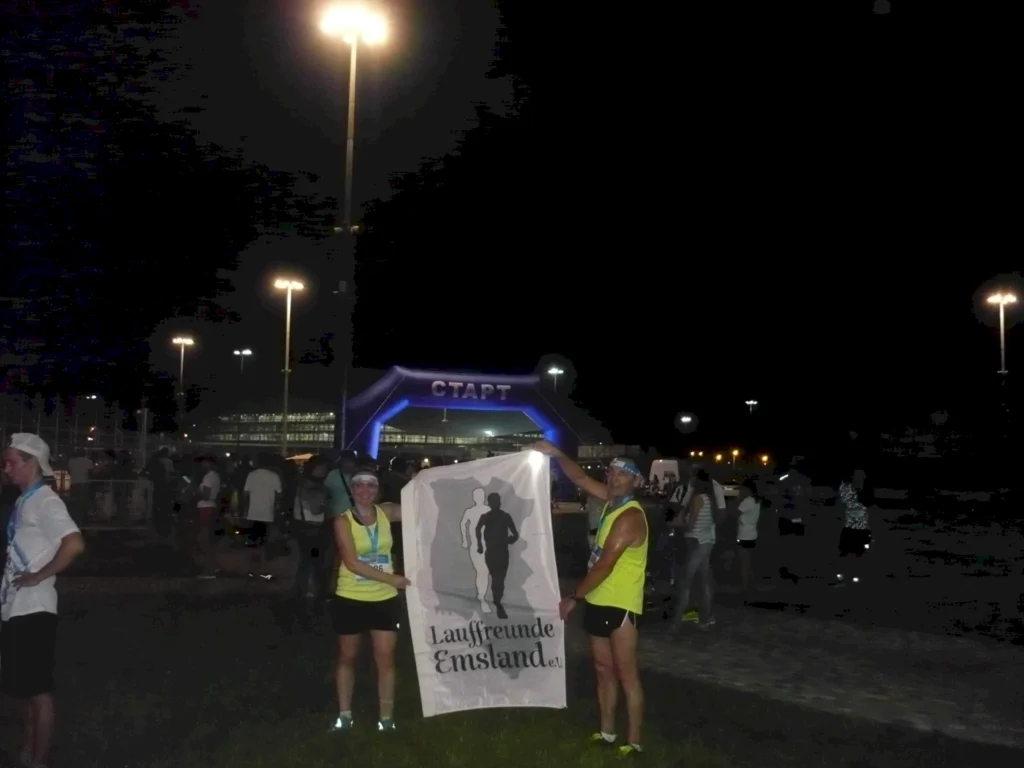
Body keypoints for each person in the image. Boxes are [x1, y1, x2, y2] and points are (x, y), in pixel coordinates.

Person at [532, 441, 647, 758]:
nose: (614, 478)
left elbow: (605, 564)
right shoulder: (612, 502)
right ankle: (607, 732)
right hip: (598, 600)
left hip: (620, 604)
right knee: (602, 670)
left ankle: (634, 742)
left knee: (627, 675)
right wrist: (557, 453)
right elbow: (581, 480)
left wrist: (573, 597)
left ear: (637, 481)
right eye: (612, 472)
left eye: (623, 474)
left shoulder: (630, 517)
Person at [1, 434, 86, 768]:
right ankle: (26, 750)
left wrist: (38, 576)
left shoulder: (46, 501)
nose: (6, 469)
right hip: (17, 607)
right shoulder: (25, 501)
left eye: (11, 462)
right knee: (23, 689)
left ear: (32, 463)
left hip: (34, 609)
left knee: (38, 692)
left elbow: (74, 544)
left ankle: (38, 760)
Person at [330, 467, 409, 733]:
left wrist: (426, 479)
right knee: (347, 657)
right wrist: (393, 580)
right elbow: (351, 563)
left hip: (384, 599)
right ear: (352, 491)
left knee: (386, 659)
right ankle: (344, 715)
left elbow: (422, 504)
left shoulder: (386, 513)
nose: (365, 491)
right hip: (351, 596)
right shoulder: (343, 521)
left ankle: (386, 719)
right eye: (359, 486)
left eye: (370, 486)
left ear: (378, 490)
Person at [672, 469, 720, 628]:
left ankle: (677, 621)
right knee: (704, 581)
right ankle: (705, 618)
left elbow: (691, 525)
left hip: (697, 542)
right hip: (706, 541)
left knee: (686, 581)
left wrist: (675, 524)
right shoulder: (709, 499)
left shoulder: (697, 498)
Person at [475, 492, 520, 620]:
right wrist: (480, 545)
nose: (495, 503)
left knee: (500, 579)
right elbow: (477, 529)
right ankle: (498, 603)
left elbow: (515, 535)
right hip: (492, 553)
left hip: (502, 552)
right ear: (489, 503)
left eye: (497, 501)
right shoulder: (485, 517)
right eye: (493, 501)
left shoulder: (505, 517)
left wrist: (508, 540)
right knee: (497, 578)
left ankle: (497, 600)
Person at [293, 458, 330, 606]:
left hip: (302, 526)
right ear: (315, 469)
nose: (325, 472)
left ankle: (301, 592)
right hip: (314, 528)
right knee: (316, 563)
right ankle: (316, 593)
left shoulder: (301, 484)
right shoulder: (317, 488)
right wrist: (326, 504)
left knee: (305, 562)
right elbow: (317, 509)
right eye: (323, 468)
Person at [242, 454, 282, 580]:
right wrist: (275, 505)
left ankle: (250, 570)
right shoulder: (274, 476)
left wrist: (244, 510)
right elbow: (280, 494)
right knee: (264, 543)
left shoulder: (251, 475)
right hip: (267, 514)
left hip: (252, 513)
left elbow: (245, 494)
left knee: (252, 542)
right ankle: (263, 570)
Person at [832, 469, 872, 586]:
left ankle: (856, 576)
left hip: (862, 528)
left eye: (863, 477)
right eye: (860, 476)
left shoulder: (865, 490)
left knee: (859, 553)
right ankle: (842, 575)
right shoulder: (848, 488)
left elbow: (869, 505)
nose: (862, 478)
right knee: (845, 552)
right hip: (849, 527)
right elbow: (843, 503)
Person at [460, 488, 492, 614]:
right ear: (474, 498)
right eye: (477, 495)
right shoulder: (470, 511)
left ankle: (485, 596)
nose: (480, 497)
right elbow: (463, 524)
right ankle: (482, 598)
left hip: (489, 546)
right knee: (482, 571)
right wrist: (465, 539)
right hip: (476, 547)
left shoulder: (488, 510)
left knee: (487, 571)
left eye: (482, 495)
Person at [194, 456, 222, 579]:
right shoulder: (215, 476)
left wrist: (196, 492)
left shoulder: (208, 477)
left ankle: (208, 569)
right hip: (211, 507)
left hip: (205, 508)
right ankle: (213, 565)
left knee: (204, 539)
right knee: (208, 539)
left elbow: (205, 496)